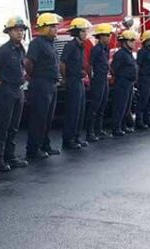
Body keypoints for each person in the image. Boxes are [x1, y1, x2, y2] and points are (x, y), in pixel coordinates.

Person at [0, 16, 30, 172]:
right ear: (9, 32)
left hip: (18, 90)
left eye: (22, 30)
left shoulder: (21, 49)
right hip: (6, 90)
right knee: (3, 127)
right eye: (17, 30)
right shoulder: (3, 51)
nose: (20, 33)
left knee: (14, 126)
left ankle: (10, 156)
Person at [25, 12, 62, 159]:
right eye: (53, 27)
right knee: (39, 117)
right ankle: (33, 149)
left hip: (51, 84)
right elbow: (28, 63)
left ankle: (45, 144)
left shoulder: (51, 43)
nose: (56, 29)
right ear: (45, 28)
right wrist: (33, 76)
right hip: (41, 84)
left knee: (48, 117)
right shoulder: (37, 43)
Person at [61, 17, 92, 150]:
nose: (85, 33)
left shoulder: (81, 46)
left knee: (80, 110)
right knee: (72, 111)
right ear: (77, 32)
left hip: (79, 81)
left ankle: (76, 137)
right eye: (83, 31)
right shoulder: (70, 46)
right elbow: (62, 63)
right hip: (72, 81)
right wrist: (65, 78)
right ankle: (68, 140)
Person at [85, 23, 113, 142]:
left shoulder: (106, 48)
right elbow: (90, 65)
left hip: (104, 78)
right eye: (107, 35)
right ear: (101, 36)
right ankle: (90, 132)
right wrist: (92, 79)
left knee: (102, 105)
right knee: (94, 107)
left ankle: (99, 130)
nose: (109, 37)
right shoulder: (96, 49)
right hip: (98, 79)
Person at [110, 30, 139, 137]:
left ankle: (122, 126)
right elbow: (114, 68)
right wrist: (121, 77)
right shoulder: (120, 54)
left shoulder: (128, 54)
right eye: (131, 40)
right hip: (122, 82)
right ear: (125, 42)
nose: (133, 42)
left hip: (129, 83)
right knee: (120, 106)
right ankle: (116, 128)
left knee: (126, 106)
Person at [135, 30, 150, 130]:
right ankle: (139, 121)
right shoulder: (142, 52)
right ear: (147, 41)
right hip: (145, 78)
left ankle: (147, 119)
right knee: (143, 100)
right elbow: (138, 65)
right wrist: (138, 80)